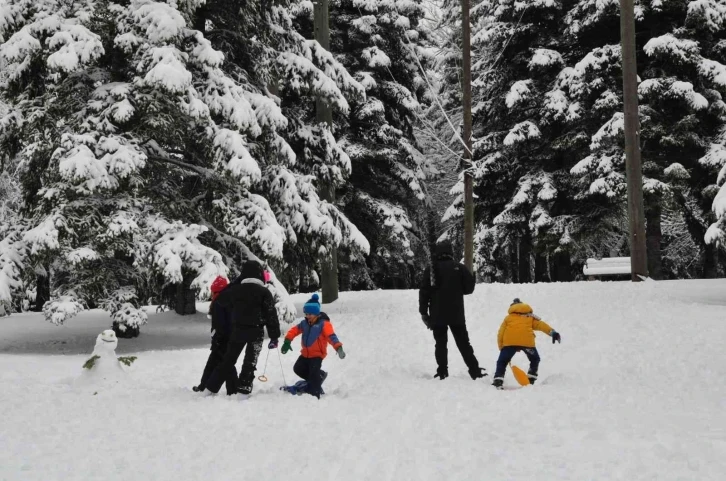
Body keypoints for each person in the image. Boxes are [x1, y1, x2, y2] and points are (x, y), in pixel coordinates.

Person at [203, 260, 281, 395]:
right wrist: (274, 335)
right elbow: (271, 315)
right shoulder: (264, 292)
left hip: (237, 330)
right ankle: (244, 386)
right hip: (256, 331)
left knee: (228, 360)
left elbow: (220, 301)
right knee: (250, 361)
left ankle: (211, 388)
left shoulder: (235, 290)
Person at [418, 240, 486, 380]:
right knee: (463, 343)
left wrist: (424, 312)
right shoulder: (459, 268)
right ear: (451, 252)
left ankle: (442, 371)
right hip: (457, 314)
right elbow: (468, 290)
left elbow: (424, 292)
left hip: (437, 314)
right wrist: (471, 275)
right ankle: (474, 371)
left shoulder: (431, 269)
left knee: (440, 343)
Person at [280, 293, 345, 399]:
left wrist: (338, 347)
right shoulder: (304, 323)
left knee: (313, 374)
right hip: (305, 354)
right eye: (306, 314)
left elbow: (331, 336)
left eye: (310, 314)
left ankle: (314, 393)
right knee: (298, 368)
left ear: (316, 314)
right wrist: (287, 341)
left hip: (317, 355)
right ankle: (318, 377)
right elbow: (294, 330)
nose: (308, 316)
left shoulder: (323, 324)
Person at [492, 298, 561, 389]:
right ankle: (531, 377)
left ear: (512, 307)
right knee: (535, 359)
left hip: (509, 342)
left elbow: (501, 333)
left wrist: (501, 347)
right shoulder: (530, 316)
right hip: (527, 342)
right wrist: (553, 333)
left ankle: (498, 380)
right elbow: (541, 325)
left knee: (502, 361)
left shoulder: (508, 318)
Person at [192, 275, 230, 392]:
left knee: (216, 364)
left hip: (221, 339)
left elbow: (220, 324)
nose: (212, 294)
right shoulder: (227, 300)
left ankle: (205, 386)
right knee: (225, 364)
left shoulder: (219, 302)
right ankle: (207, 386)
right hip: (225, 338)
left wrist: (217, 339)